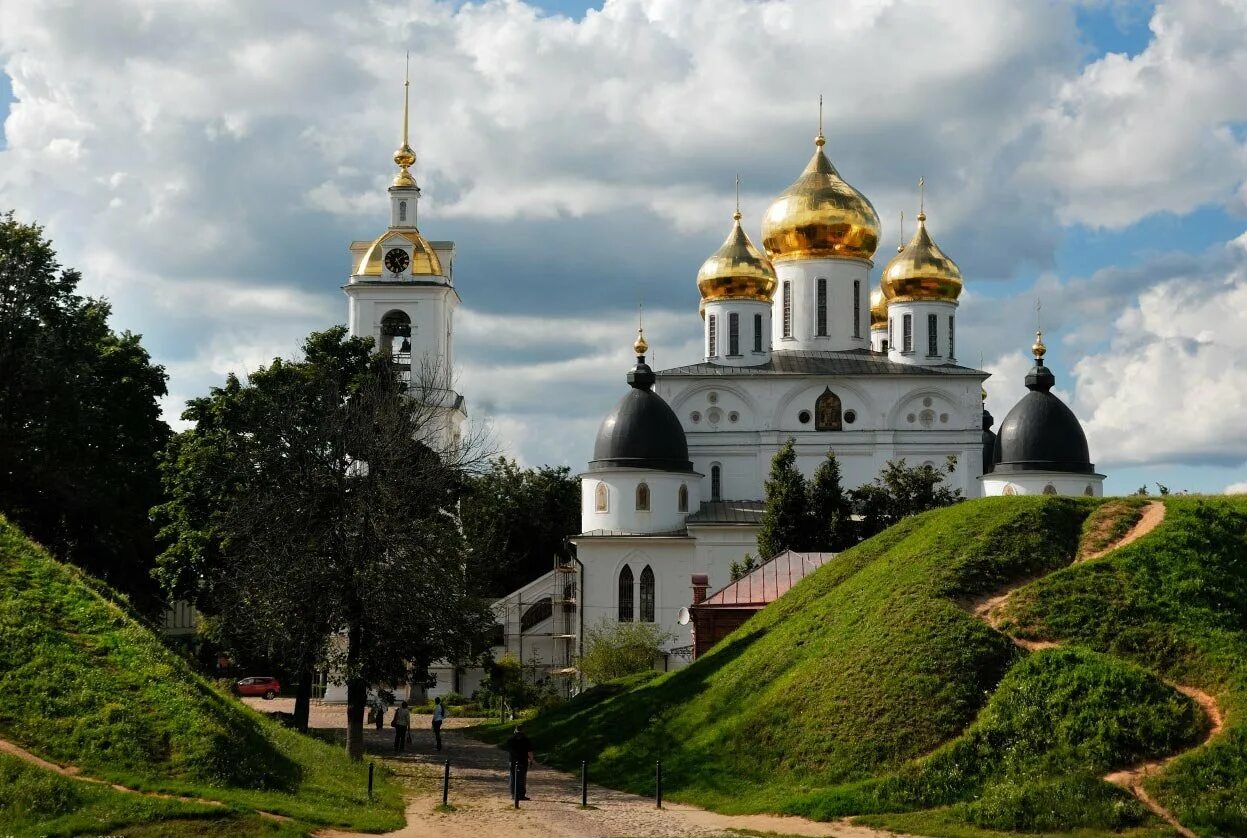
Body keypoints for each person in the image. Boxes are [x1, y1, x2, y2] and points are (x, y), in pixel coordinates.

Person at [505, 723, 534, 800]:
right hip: (523, 761)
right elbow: (530, 752)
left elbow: (509, 750)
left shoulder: (510, 739)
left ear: (515, 730)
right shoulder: (526, 739)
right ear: (523, 730)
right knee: (522, 778)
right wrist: (531, 760)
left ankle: (513, 795)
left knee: (513, 777)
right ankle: (521, 795)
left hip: (513, 761)